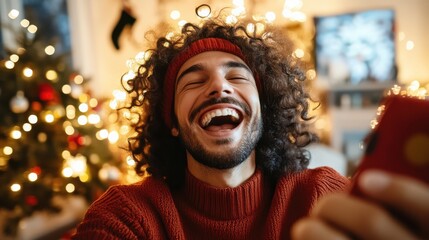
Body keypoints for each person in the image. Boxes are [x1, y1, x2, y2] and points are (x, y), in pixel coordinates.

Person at [72, 14, 429, 240]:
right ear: (173, 125)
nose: (219, 87)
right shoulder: (130, 216)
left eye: (236, 76)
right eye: (194, 82)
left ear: (263, 108)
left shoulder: (321, 195)